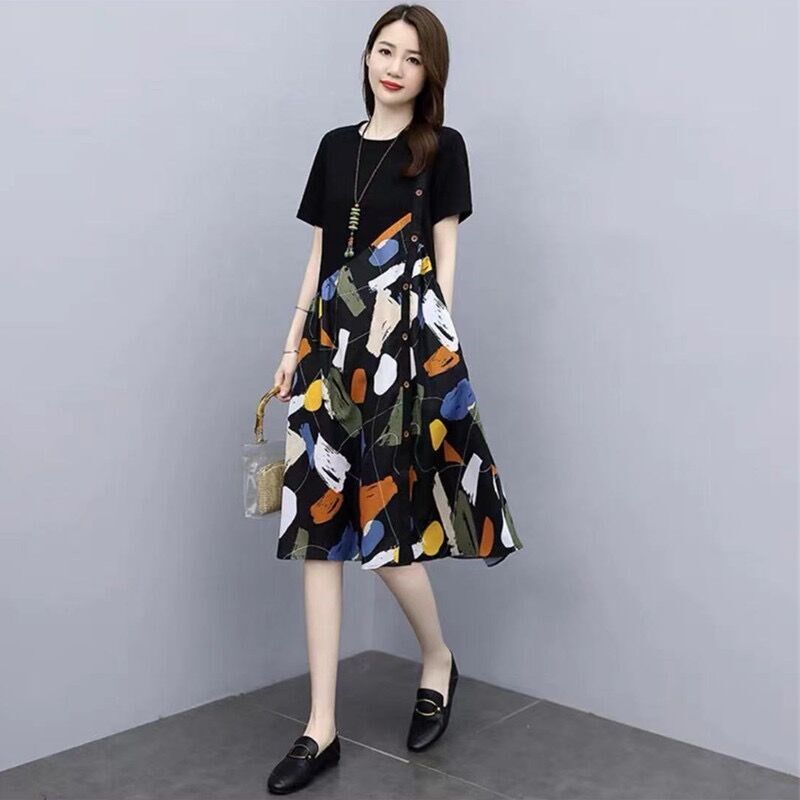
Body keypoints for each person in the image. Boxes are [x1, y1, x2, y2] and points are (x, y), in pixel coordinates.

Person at [266, 4, 524, 794]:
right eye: (386, 50)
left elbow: (445, 259)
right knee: (318, 533)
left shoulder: (441, 148)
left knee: (384, 530)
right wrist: (290, 347)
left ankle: (437, 658)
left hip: (400, 349)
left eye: (413, 58)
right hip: (326, 351)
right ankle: (320, 727)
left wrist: (434, 358)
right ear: (367, 55)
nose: (395, 67)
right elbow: (320, 253)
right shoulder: (333, 146)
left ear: (429, 74)